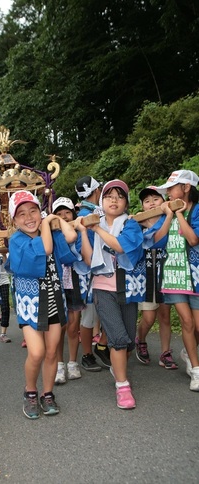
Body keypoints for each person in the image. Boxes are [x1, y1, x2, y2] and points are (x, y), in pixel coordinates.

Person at [7, 190, 78, 419]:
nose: (29, 217)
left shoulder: (50, 229)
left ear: (40, 211)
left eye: (34, 211)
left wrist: (54, 219)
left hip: (54, 298)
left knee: (51, 353)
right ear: (14, 220)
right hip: (30, 304)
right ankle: (30, 392)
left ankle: (48, 394)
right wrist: (47, 223)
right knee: (36, 352)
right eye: (21, 214)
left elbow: (71, 237)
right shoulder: (16, 241)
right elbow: (45, 248)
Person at [86, 180, 144, 409]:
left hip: (128, 288)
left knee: (128, 340)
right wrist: (84, 231)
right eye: (109, 195)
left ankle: (117, 368)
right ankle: (122, 386)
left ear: (126, 203)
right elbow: (88, 257)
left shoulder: (130, 225)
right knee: (119, 339)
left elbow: (121, 247)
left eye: (120, 196)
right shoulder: (93, 224)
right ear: (101, 200)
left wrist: (96, 229)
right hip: (103, 288)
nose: (114, 199)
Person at [148, 170, 199, 391]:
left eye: (172, 188)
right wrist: (169, 215)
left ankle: (188, 352)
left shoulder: (196, 210)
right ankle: (196, 370)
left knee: (197, 325)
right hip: (174, 274)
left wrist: (178, 213)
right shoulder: (165, 212)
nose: (168, 193)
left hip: (196, 275)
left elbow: (193, 239)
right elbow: (157, 241)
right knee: (187, 322)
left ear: (186, 188)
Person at [52, 197, 101, 385]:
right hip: (56, 282)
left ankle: (73, 362)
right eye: (59, 213)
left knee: (73, 326)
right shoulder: (50, 235)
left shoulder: (81, 232)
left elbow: (84, 255)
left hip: (74, 280)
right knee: (58, 328)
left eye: (67, 213)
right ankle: (59, 364)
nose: (64, 217)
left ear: (73, 214)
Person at [134, 186, 177, 369]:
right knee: (149, 317)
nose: (151, 203)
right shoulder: (137, 225)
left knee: (165, 316)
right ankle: (140, 339)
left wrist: (163, 219)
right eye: (147, 200)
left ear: (164, 201)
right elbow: (156, 240)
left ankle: (165, 353)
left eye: (155, 199)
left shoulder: (174, 221)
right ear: (142, 206)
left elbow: (165, 240)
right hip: (146, 277)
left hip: (166, 274)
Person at [75, 176, 111, 368]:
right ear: (98, 191)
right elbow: (84, 250)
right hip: (93, 272)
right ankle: (88, 354)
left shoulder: (85, 213)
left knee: (100, 313)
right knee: (90, 316)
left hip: (99, 269)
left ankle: (99, 347)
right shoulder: (88, 215)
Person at [0, 252, 12, 343]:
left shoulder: (4, 248)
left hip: (4, 281)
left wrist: (4, 253)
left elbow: (8, 267)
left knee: (5, 307)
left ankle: (3, 333)